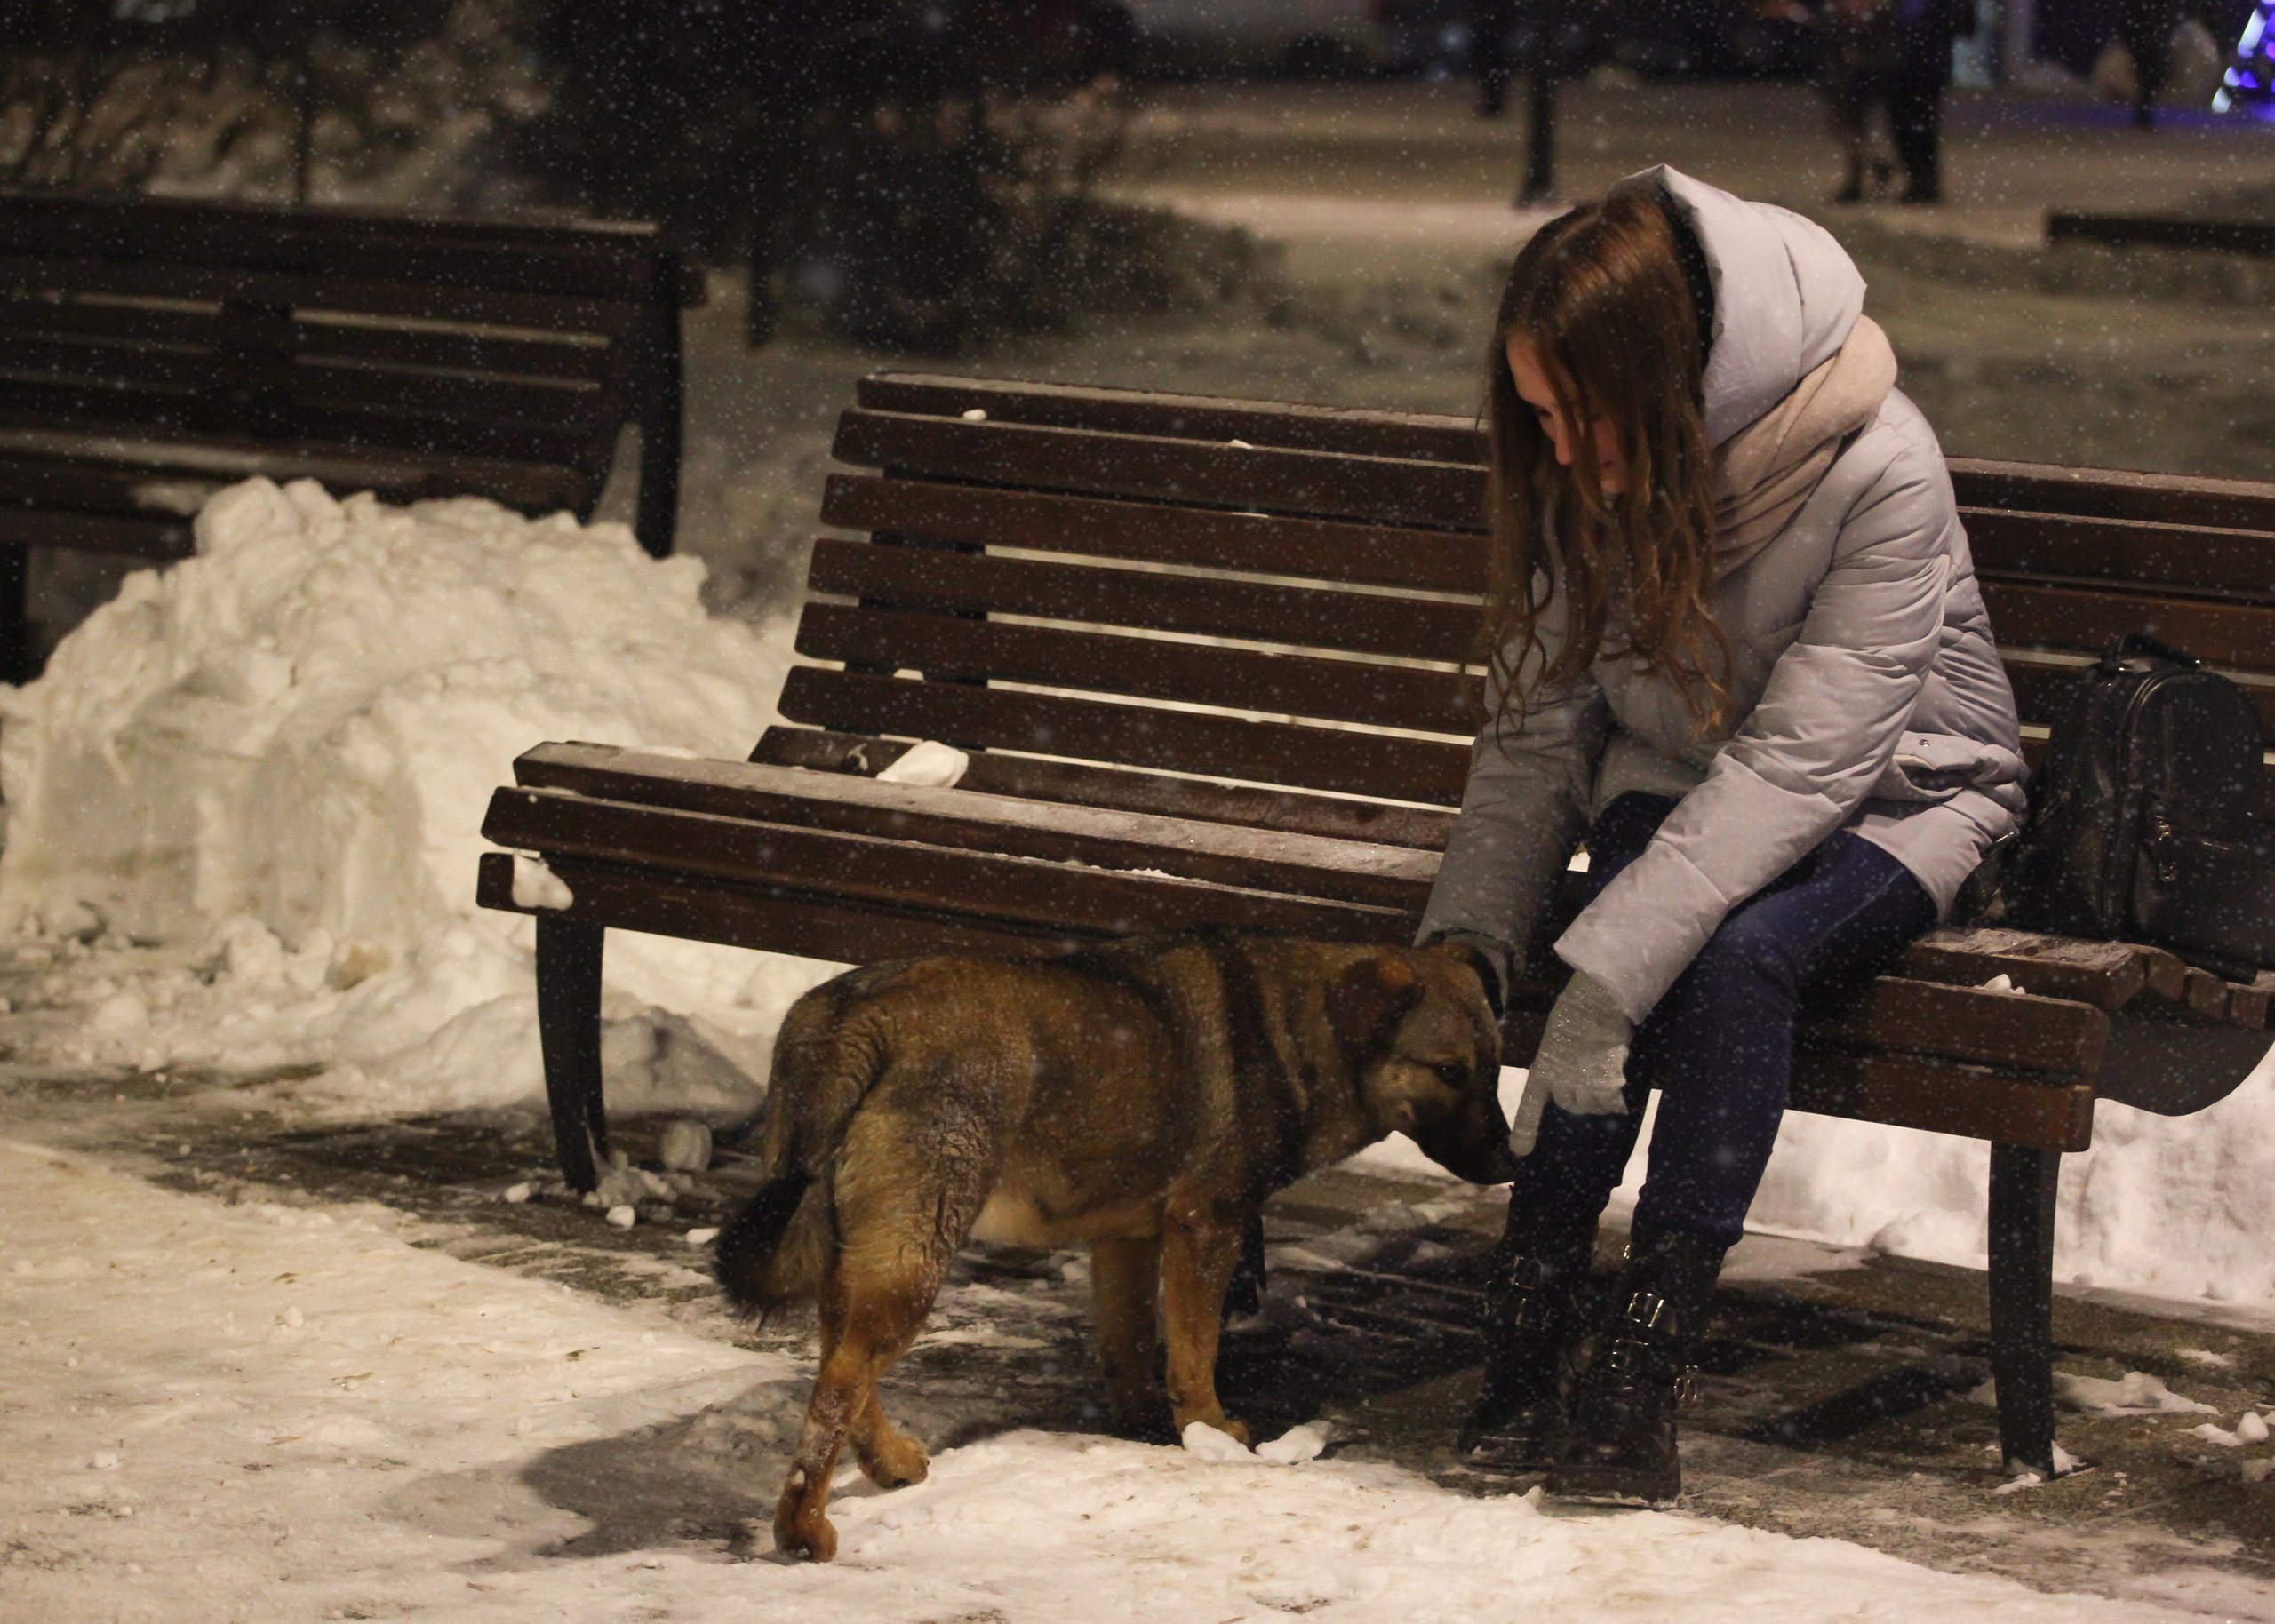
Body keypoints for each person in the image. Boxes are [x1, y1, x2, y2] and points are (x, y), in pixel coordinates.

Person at [1417, 168, 2024, 1507]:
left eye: (1576, 416)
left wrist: (1611, 970)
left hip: (1902, 797)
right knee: (1630, 916)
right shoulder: (1590, 471)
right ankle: (1527, 1316)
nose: (1559, 453)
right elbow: (1534, 741)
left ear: (1667, 377)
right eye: (1537, 419)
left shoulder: (1881, 464)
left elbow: (1812, 762)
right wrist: (1460, 960)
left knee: (1731, 956)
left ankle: (1645, 1354)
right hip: (1691, 769)